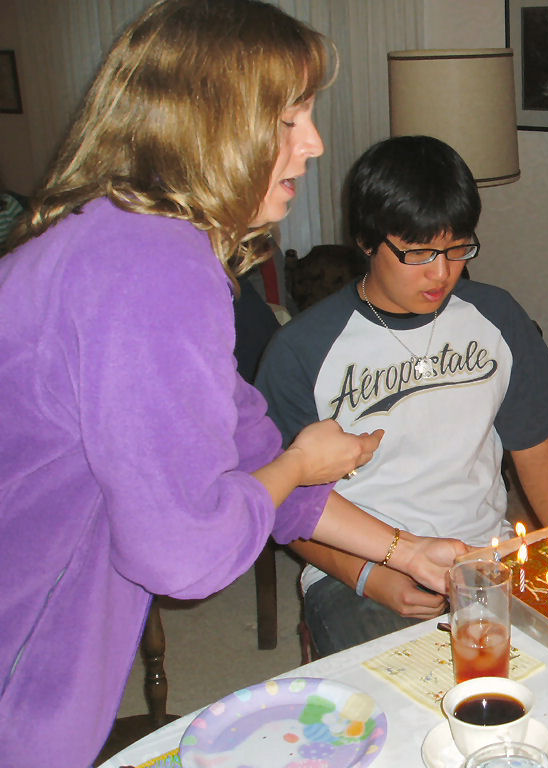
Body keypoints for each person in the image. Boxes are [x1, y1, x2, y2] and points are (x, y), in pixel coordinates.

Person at [0, 3, 465, 766]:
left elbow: (252, 450)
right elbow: (184, 554)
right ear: (206, 123)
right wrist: (301, 464)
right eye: (288, 119)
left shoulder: (122, 234)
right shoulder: (153, 266)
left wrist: (406, 551)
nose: (313, 144)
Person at [256, 135, 548, 655]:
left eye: (457, 249)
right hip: (358, 568)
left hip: (486, 556)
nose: (442, 272)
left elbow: (535, 452)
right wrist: (369, 576)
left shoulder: (496, 317)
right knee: (405, 691)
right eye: (419, 252)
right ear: (366, 240)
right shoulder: (302, 350)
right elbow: (281, 502)